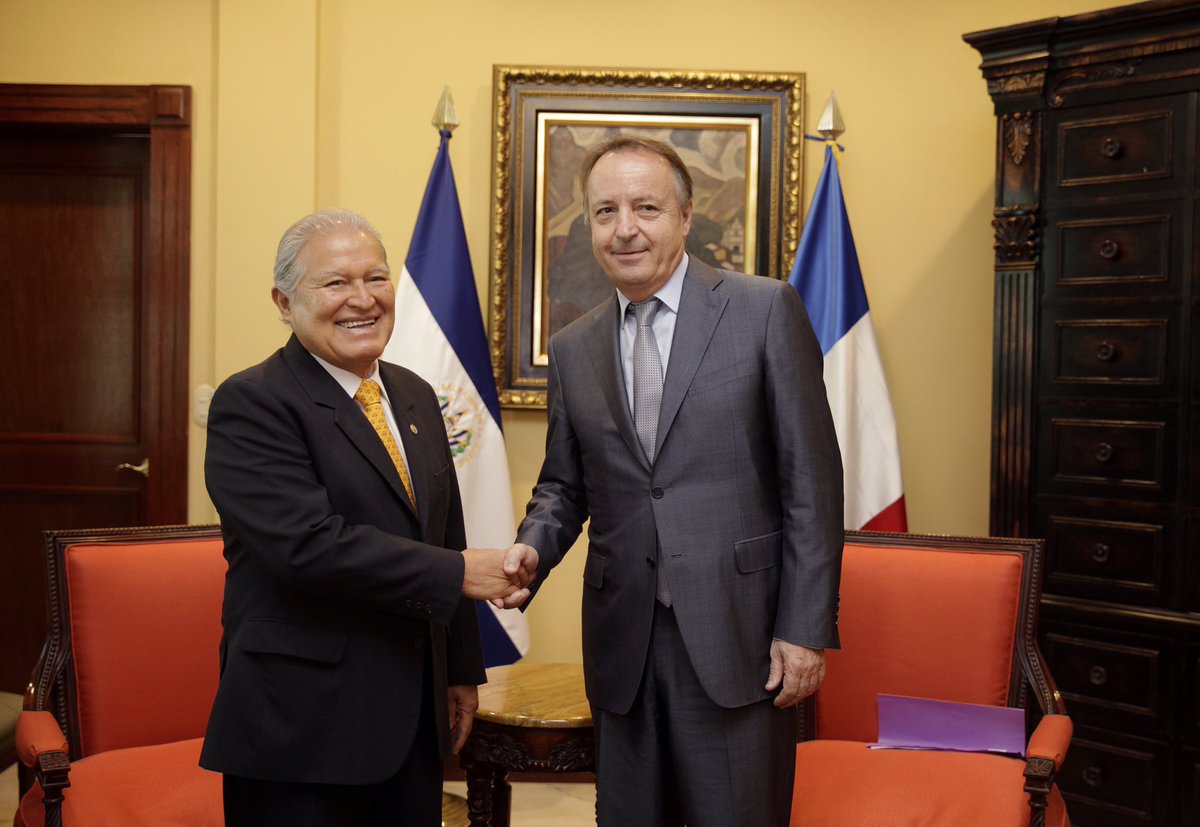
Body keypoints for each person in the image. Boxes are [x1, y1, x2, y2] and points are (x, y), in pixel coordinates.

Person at [513, 136, 844, 826]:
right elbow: (564, 486)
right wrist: (529, 551)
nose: (624, 228)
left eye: (646, 207)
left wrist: (804, 629)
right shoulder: (574, 346)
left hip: (742, 637)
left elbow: (811, 484)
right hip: (623, 643)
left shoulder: (763, 310)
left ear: (686, 216)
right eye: (605, 211)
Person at [199, 208, 534, 827]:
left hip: (412, 715)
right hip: (303, 727)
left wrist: (460, 670)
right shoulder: (254, 402)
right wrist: (459, 573)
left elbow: (445, 534)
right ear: (284, 302)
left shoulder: (414, 394)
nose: (362, 299)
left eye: (376, 278)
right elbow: (308, 546)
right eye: (335, 282)